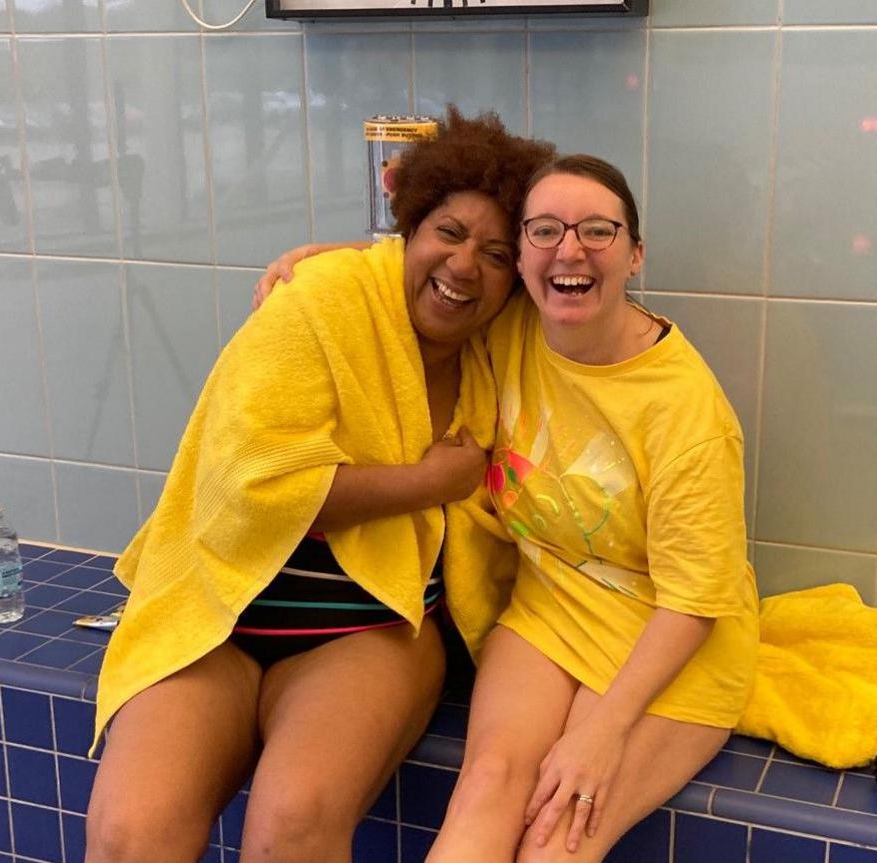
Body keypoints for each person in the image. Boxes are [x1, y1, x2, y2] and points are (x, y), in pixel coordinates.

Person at [257, 154, 759, 862]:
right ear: (521, 257)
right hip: (553, 608)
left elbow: (695, 600)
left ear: (636, 254)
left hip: (672, 636)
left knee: (559, 835)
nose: (570, 249)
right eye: (545, 231)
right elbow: (438, 267)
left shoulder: (687, 412)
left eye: (597, 231)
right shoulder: (513, 323)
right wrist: (324, 260)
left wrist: (600, 731)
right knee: (488, 783)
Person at [85, 108, 555, 863]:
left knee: (292, 828)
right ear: (408, 228)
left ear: (517, 278)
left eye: (497, 253)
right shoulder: (317, 303)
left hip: (365, 631)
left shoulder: (499, 338)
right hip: (220, 616)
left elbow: (577, 289)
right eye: (447, 233)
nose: (467, 265)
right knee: (128, 836)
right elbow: (257, 490)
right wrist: (427, 481)